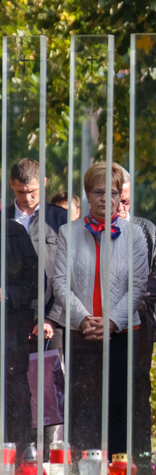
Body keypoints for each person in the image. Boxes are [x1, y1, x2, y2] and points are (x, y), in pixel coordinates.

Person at [50, 162, 148, 460]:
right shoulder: (68, 232)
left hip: (122, 332)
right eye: (99, 192)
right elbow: (60, 282)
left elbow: (138, 286)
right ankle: (84, 472)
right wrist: (84, 319)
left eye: (113, 193)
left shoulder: (135, 234)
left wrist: (112, 322)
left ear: (121, 196)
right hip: (80, 332)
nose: (106, 199)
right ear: (87, 195)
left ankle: (117, 471)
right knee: (82, 404)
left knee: (119, 405)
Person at [7, 158, 69, 454]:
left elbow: (68, 273)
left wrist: (52, 318)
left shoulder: (59, 219)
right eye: (21, 192)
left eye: (33, 191)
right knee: (17, 391)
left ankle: (48, 457)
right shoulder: (4, 220)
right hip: (12, 320)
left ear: (43, 184)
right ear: (11, 186)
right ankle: (19, 455)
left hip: (51, 319)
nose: (28, 198)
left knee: (49, 393)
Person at [116, 165, 156, 474]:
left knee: (138, 394)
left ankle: (142, 465)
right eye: (116, 200)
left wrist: (137, 299)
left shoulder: (146, 229)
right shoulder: (91, 230)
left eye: (126, 201)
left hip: (141, 327)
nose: (121, 207)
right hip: (101, 327)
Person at [1, 219, 38, 457]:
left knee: (17, 401)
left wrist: (7, 294)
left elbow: (36, 280)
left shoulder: (15, 232)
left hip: (10, 335)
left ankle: (18, 466)